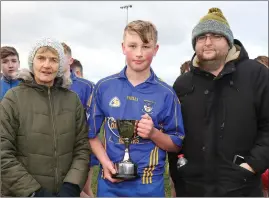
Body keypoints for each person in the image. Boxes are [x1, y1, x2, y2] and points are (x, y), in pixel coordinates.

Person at [170, 7, 269, 197]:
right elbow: (174, 134)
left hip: (242, 189)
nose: (207, 42)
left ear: (228, 41)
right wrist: (179, 174)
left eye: (215, 35)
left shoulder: (257, 75)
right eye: (201, 37)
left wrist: (251, 166)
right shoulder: (183, 83)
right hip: (191, 189)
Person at [88, 20, 185, 197]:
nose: (139, 53)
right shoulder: (104, 87)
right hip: (110, 185)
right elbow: (90, 135)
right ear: (123, 47)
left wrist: (154, 134)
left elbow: (176, 144)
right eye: (133, 46)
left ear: (155, 50)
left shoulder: (166, 93)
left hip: (149, 186)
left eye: (146, 46)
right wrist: (105, 163)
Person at [1, 38, 90, 197]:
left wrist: (71, 187)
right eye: (41, 58)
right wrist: (35, 193)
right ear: (32, 62)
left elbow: (82, 148)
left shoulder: (72, 100)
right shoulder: (13, 98)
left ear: (60, 65)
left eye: (54, 59)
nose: (47, 65)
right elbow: (3, 152)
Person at [61, 43, 96, 197]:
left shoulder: (87, 86)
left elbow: (94, 118)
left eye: (62, 57)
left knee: (83, 190)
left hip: (82, 147)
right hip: (57, 148)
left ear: (70, 60)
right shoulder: (49, 85)